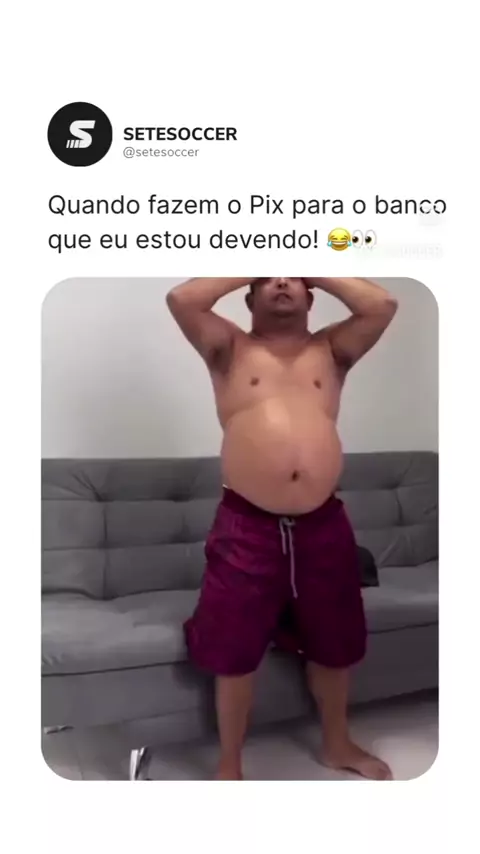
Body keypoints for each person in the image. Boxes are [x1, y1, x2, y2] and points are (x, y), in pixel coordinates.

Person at [166, 276, 398, 781]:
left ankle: (337, 744)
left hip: (323, 524)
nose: (281, 282)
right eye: (268, 278)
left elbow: (381, 304)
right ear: (249, 298)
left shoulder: (333, 350)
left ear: (312, 295)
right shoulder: (229, 349)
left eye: (293, 278)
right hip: (247, 527)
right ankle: (230, 767)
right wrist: (268, 249)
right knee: (233, 647)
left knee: (335, 641)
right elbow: (183, 299)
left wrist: (308, 260)